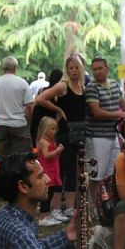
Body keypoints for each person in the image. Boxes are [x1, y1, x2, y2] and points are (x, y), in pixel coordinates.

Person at [84, 56, 125, 207]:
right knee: (96, 174)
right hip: (96, 137)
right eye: (94, 69)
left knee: (112, 172)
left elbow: (123, 103)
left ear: (107, 69)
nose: (97, 72)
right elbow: (96, 113)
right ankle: (94, 208)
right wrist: (120, 114)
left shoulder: (115, 85)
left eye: (100, 68)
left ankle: (108, 204)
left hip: (112, 135)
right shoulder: (91, 88)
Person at [36, 56, 86, 217]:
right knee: (61, 170)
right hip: (65, 132)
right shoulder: (63, 86)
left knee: (75, 171)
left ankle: (70, 206)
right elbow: (40, 98)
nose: (73, 70)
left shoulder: (82, 86)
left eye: (76, 67)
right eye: (70, 68)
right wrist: (58, 109)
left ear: (80, 69)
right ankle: (55, 208)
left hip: (80, 133)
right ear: (67, 70)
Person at [0, 56, 34, 163]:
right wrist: (27, 124)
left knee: (1, 159)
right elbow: (29, 107)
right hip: (19, 125)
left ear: (3, 68)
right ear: (15, 67)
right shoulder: (22, 83)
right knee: (20, 158)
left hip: (0, 125)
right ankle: (18, 179)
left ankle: (2, 179)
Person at [36, 117, 64, 226]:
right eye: (52, 129)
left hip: (53, 170)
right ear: (45, 129)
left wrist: (58, 151)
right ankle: (42, 217)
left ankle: (47, 215)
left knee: (51, 194)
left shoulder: (51, 141)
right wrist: (57, 150)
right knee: (46, 195)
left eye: (56, 129)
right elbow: (46, 155)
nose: (55, 131)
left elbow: (55, 156)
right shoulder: (44, 142)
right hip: (47, 171)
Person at [30, 68, 63, 147]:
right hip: (52, 121)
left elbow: (34, 104)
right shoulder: (59, 93)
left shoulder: (42, 90)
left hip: (40, 121)